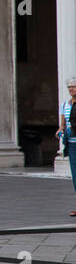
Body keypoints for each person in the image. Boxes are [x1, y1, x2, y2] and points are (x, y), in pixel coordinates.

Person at [58, 78, 76, 211]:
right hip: (71, 145)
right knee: (75, 176)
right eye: (69, 87)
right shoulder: (65, 105)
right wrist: (60, 131)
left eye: (74, 87)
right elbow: (62, 126)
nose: (71, 89)